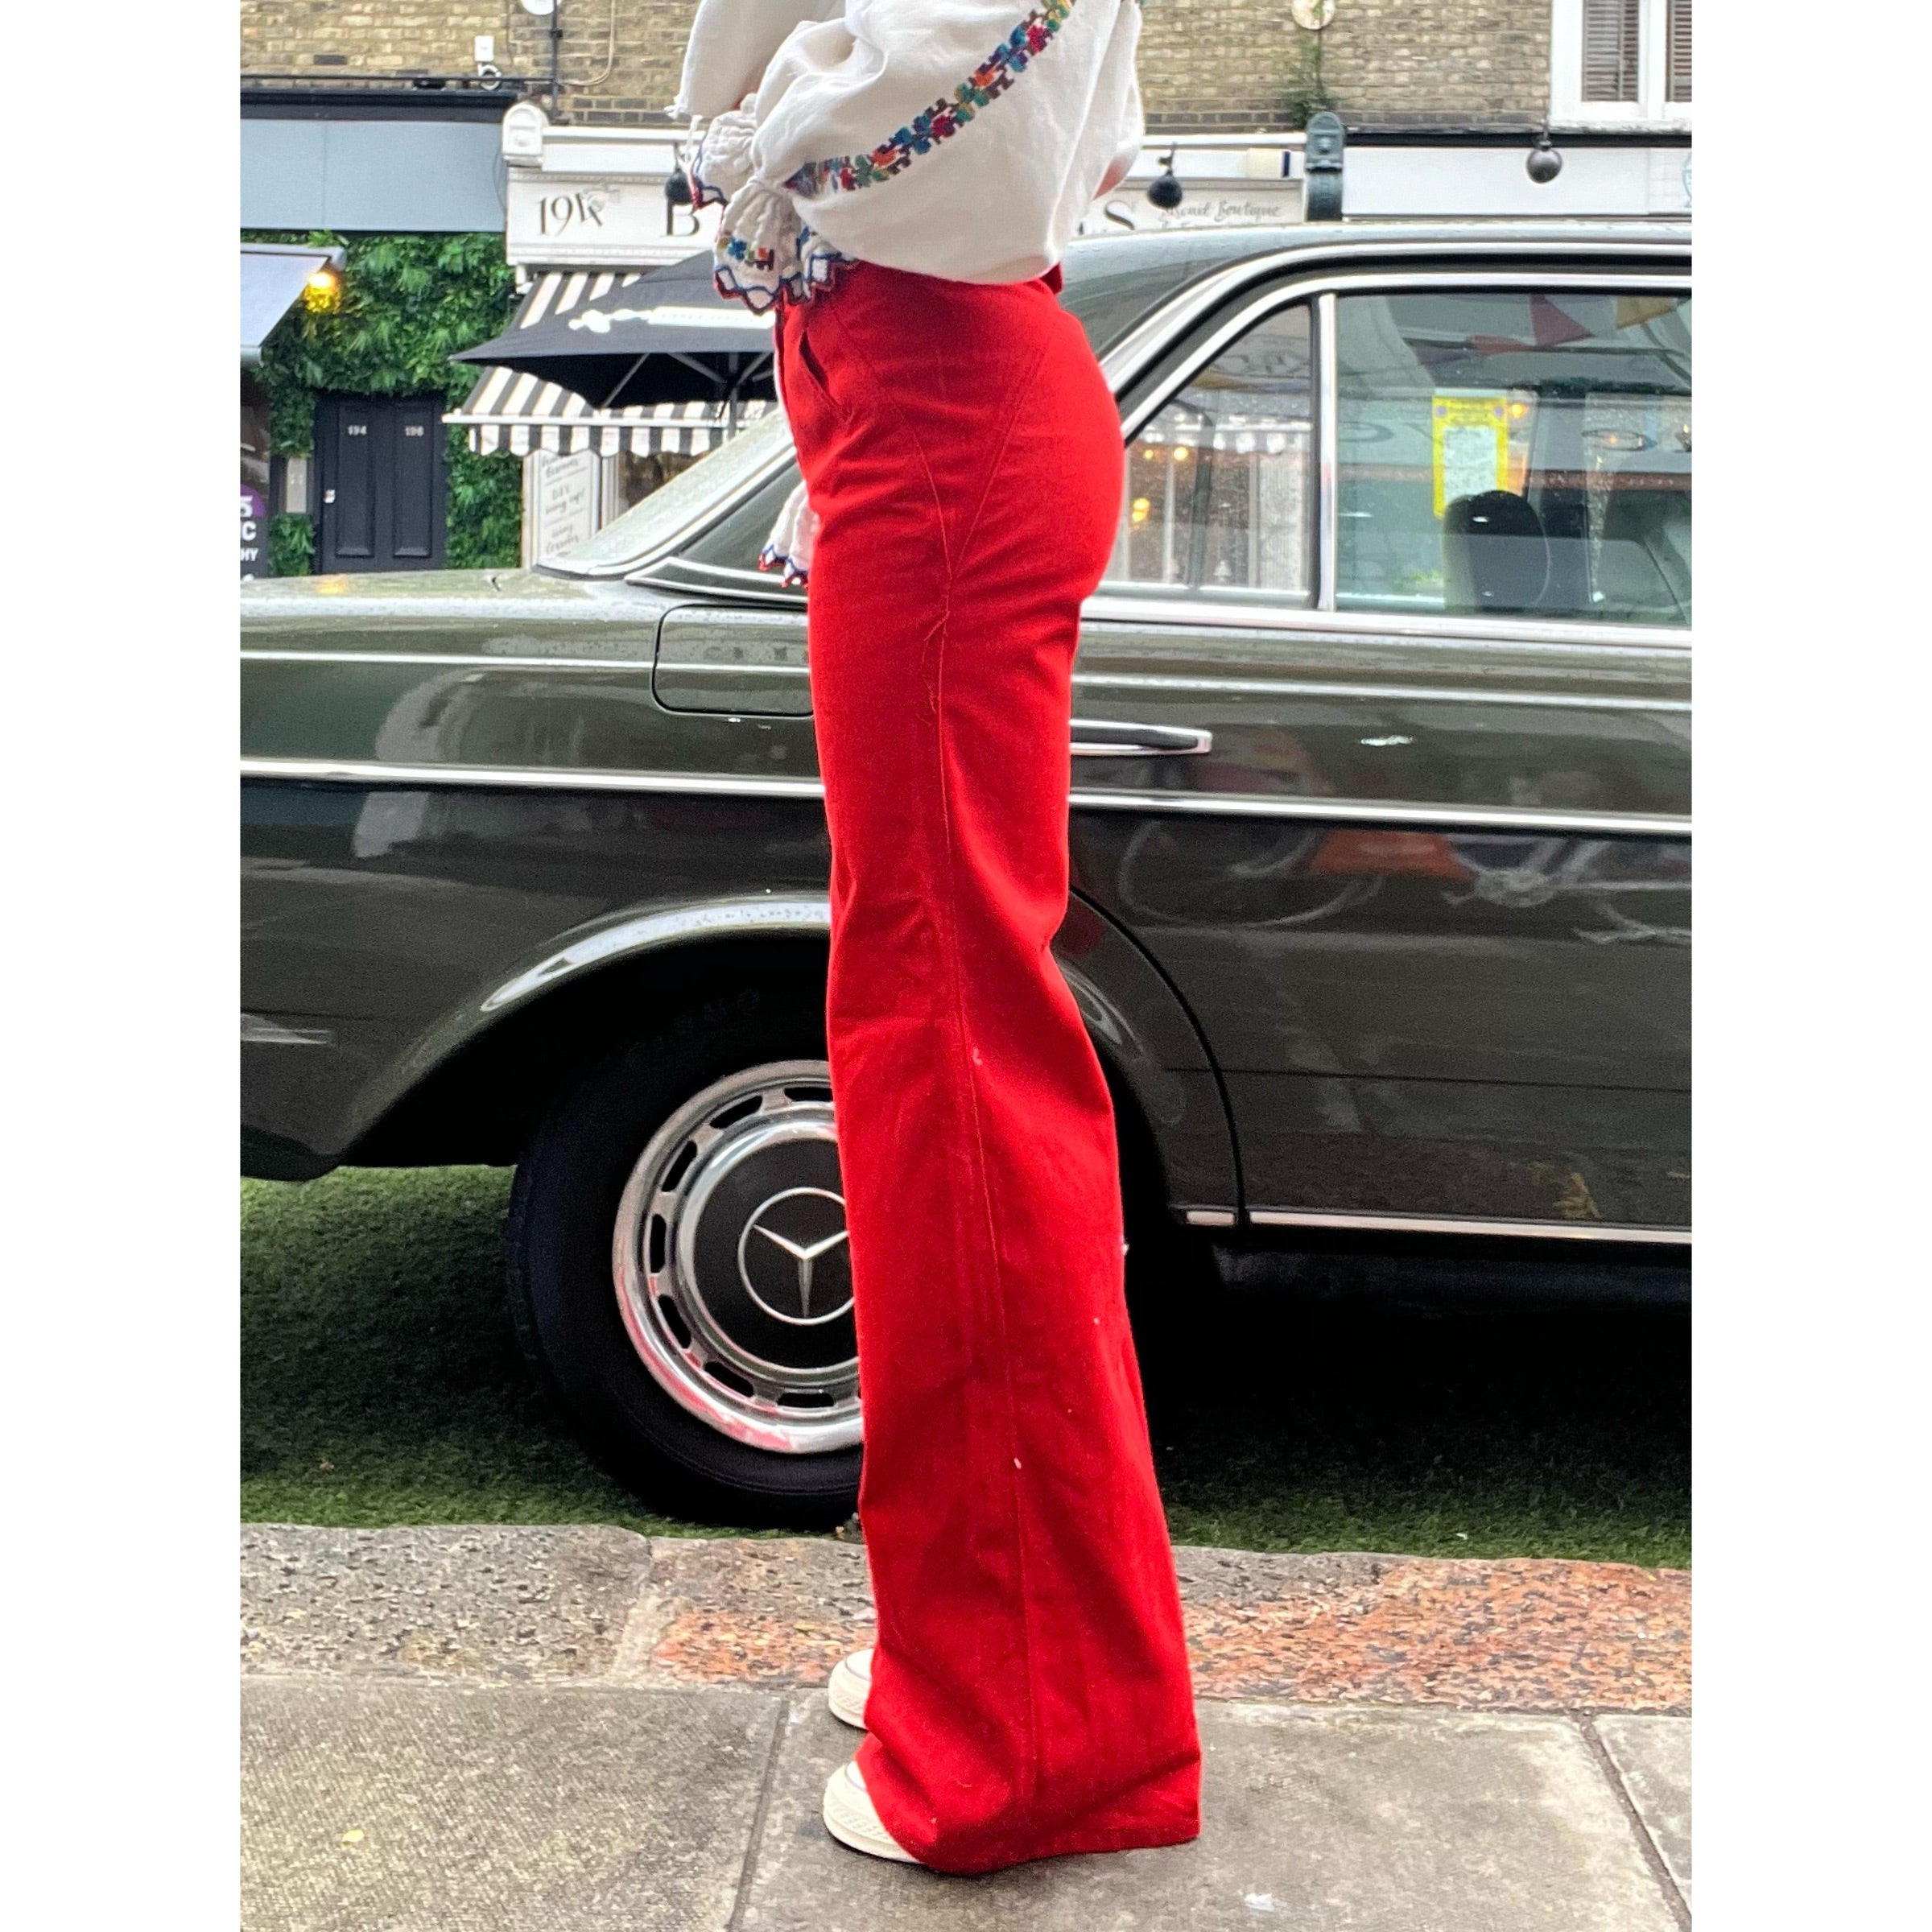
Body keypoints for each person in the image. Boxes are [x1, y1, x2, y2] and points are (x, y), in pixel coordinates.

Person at [675, 0, 1203, 1876]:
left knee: (952, 1064)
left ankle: (1031, 1734)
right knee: (934, 1040)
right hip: (925, 378)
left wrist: (759, 164)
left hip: (940, 394)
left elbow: (951, 50)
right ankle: (992, 1646)